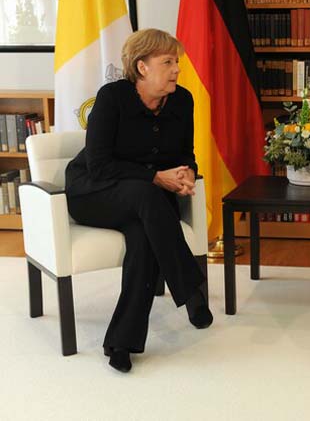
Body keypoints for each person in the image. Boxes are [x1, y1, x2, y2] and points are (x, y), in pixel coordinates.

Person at [65, 28, 212, 373]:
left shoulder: (182, 100)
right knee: (147, 194)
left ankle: (122, 342)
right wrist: (156, 177)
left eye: (176, 61)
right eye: (168, 62)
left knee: (144, 237)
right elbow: (100, 166)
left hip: (147, 203)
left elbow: (185, 154)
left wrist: (187, 174)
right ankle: (190, 289)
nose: (177, 69)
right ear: (142, 67)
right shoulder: (112, 98)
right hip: (94, 193)